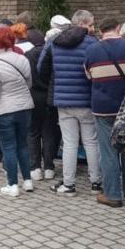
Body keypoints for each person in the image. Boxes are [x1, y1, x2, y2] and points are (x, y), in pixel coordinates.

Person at [38, 10, 101, 196]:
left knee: (70, 142)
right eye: (91, 24)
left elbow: (41, 68)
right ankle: (96, 183)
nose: (93, 28)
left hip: (64, 101)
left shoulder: (54, 41)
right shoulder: (93, 43)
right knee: (91, 141)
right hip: (87, 100)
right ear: (83, 24)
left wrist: (54, 84)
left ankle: (69, 184)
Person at [85, 17, 125, 208]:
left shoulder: (92, 50)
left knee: (108, 151)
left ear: (101, 30)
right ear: (118, 28)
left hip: (102, 108)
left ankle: (112, 194)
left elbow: (88, 75)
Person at [0, 26, 35, 197]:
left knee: (8, 147)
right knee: (23, 145)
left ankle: (12, 185)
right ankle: (27, 181)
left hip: (4, 111)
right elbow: (28, 84)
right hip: (25, 108)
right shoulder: (23, 60)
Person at [24, 24, 60, 183]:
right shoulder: (54, 53)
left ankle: (34, 168)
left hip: (33, 96)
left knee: (33, 132)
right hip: (50, 96)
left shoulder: (28, 54)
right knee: (49, 132)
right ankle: (49, 167)